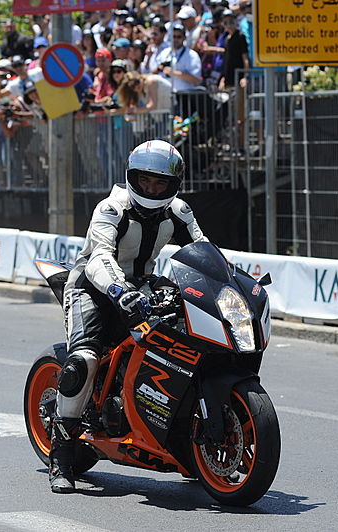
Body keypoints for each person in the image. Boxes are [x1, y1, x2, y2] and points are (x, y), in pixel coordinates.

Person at [48, 139, 207, 493]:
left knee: (188, 344)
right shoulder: (111, 209)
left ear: (173, 185)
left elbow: (202, 251)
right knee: (84, 360)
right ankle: (61, 457)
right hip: (93, 285)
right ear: (132, 177)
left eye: (160, 183)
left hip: (143, 287)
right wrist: (120, 290)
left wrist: (229, 283)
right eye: (146, 181)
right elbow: (101, 256)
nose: (152, 188)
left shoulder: (178, 212)